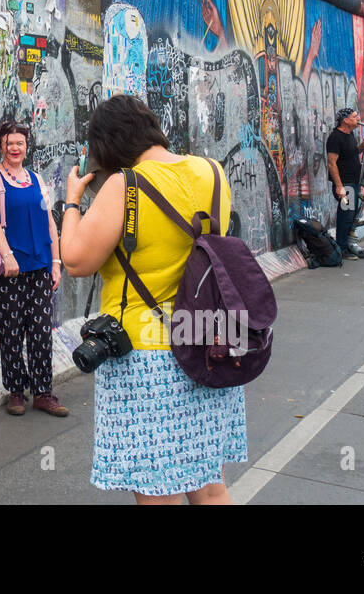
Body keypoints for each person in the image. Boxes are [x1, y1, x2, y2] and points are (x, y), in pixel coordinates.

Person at [59, 94, 244, 504]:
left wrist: (73, 201)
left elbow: (74, 260)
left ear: (107, 144)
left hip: (147, 358)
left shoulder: (125, 187)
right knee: (210, 487)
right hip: (207, 342)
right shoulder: (212, 171)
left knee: (158, 492)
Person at [0, 119, 67, 417]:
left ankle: (43, 392)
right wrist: (7, 255)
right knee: (11, 331)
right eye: (9, 143)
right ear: (0, 145)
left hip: (40, 265)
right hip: (9, 269)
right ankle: (16, 392)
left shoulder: (36, 179)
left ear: (26, 148)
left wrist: (55, 261)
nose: (15, 148)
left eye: (20, 144)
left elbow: (49, 222)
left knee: (41, 331)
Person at [326, 106, 364, 259]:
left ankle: (348, 245)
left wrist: (361, 147)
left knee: (351, 215)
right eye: (354, 116)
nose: (358, 118)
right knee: (346, 215)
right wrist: (339, 187)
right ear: (345, 120)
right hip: (345, 184)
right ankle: (342, 249)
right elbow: (332, 163)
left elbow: (350, 154)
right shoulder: (335, 137)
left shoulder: (350, 134)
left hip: (354, 181)